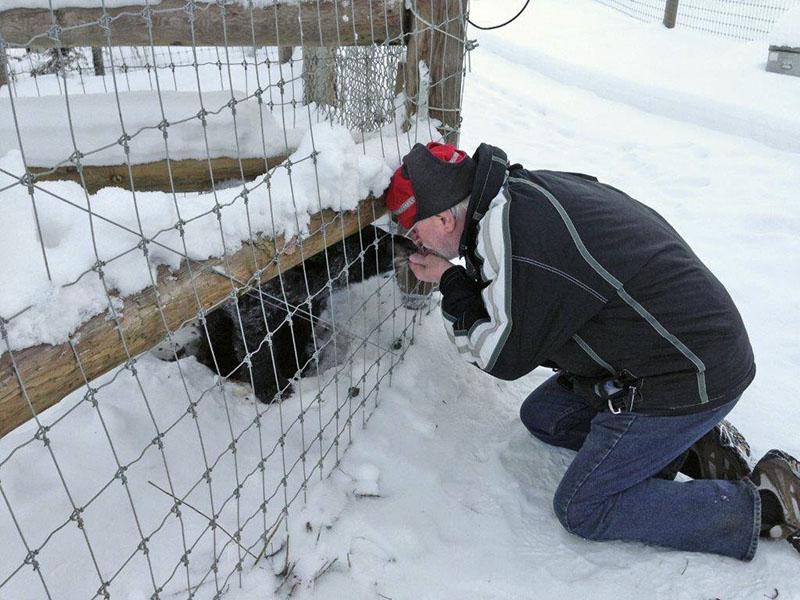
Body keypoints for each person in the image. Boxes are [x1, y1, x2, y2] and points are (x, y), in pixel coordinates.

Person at [385, 141, 800, 560]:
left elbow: (500, 354)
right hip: (677, 352)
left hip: (690, 371)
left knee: (584, 507)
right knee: (546, 416)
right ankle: (695, 445)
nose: (416, 243)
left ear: (442, 217)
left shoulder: (510, 230)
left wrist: (450, 282)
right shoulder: (515, 198)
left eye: (415, 233)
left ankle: (770, 504)